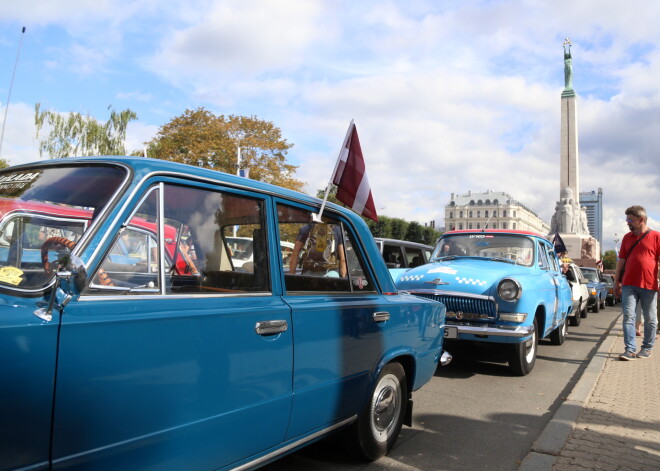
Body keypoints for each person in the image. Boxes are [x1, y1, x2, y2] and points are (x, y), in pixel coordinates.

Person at [613, 205, 660, 360]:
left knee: (651, 319)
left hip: (649, 285)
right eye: (627, 219)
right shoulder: (627, 238)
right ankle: (630, 350)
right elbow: (621, 262)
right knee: (628, 317)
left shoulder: (656, 236)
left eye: (630, 220)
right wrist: (616, 283)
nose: (627, 222)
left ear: (641, 219)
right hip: (629, 285)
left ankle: (646, 348)